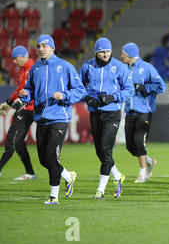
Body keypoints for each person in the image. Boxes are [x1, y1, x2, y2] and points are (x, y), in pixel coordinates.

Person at [18, 34, 86, 205]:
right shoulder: (35, 69)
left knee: (50, 155)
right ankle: (68, 176)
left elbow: (80, 90)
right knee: (43, 160)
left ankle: (53, 196)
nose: (41, 49)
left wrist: (64, 95)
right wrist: (26, 96)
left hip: (59, 117)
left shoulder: (65, 67)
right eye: (39, 46)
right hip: (41, 118)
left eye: (44, 46)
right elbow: (30, 90)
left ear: (53, 48)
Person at [79, 37, 134, 200]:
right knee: (99, 151)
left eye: (108, 51)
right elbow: (78, 86)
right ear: (96, 52)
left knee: (105, 149)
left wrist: (112, 98)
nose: (106, 54)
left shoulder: (119, 66)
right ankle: (117, 176)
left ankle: (100, 190)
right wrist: (88, 98)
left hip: (112, 113)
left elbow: (129, 90)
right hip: (95, 112)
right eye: (102, 51)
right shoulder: (87, 66)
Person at [121, 42, 166, 183]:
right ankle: (149, 162)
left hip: (144, 111)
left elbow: (161, 86)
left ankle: (142, 173)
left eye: (123, 53)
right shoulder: (123, 69)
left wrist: (144, 87)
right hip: (129, 111)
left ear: (129, 55)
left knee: (139, 141)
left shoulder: (147, 68)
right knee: (130, 146)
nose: (121, 56)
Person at [0, 46, 36, 180]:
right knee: (19, 142)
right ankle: (30, 173)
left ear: (22, 56)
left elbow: (30, 92)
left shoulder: (32, 70)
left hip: (27, 109)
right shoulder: (23, 70)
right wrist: (7, 103)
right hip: (26, 109)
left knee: (12, 140)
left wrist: (14, 104)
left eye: (15, 59)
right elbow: (18, 91)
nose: (14, 62)